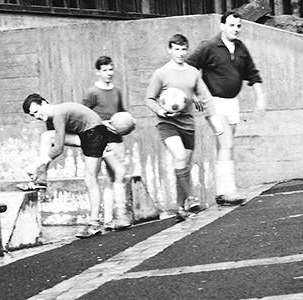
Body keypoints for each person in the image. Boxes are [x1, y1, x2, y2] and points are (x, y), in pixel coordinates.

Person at [19, 93, 129, 238]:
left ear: (44, 103)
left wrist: (34, 165)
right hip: (89, 133)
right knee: (47, 137)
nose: (37, 116)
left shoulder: (58, 114)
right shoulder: (52, 118)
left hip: (95, 134)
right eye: (33, 115)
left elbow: (58, 149)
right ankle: (40, 181)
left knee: (90, 179)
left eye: (37, 111)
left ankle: (94, 223)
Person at [188, 11, 266, 205]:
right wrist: (195, 93)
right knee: (227, 143)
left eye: (238, 26)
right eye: (231, 25)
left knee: (225, 147)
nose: (235, 29)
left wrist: (260, 96)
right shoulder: (209, 46)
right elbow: (189, 67)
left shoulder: (240, 48)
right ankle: (229, 190)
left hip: (232, 103)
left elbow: (252, 73)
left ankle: (222, 193)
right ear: (222, 25)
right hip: (214, 103)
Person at [146, 33, 223, 220]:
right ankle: (191, 197)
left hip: (187, 124)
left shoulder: (193, 73)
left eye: (183, 49)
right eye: (176, 49)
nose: (180, 53)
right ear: (169, 50)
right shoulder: (161, 73)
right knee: (179, 156)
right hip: (167, 123)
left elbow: (204, 96)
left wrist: (213, 118)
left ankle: (180, 208)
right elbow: (149, 98)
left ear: (187, 50)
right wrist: (160, 111)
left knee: (184, 164)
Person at [80, 56, 130, 227]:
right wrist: (103, 123)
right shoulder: (91, 93)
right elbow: (83, 117)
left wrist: (128, 123)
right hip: (99, 139)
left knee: (115, 176)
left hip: (116, 139)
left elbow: (122, 113)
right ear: (98, 72)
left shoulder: (117, 91)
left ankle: (115, 217)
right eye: (105, 70)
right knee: (116, 174)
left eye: (111, 69)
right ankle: (112, 217)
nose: (109, 73)